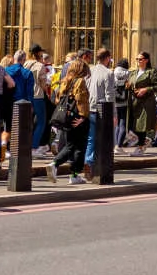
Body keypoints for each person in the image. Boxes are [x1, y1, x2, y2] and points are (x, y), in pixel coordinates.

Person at [46, 60, 90, 184]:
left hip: (67, 118)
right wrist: (83, 116)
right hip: (78, 118)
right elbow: (81, 100)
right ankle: (57, 165)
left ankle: (73, 174)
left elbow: (58, 99)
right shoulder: (80, 81)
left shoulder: (66, 80)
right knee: (78, 147)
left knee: (71, 145)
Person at [84, 48, 116, 177]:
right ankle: (98, 166)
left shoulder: (90, 70)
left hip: (90, 108)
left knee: (91, 139)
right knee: (104, 139)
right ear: (107, 58)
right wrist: (114, 114)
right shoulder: (108, 73)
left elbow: (86, 89)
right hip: (103, 110)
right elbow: (110, 95)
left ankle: (88, 161)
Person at [128, 52, 157, 153]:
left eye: (140, 59)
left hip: (146, 102)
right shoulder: (133, 72)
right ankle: (144, 140)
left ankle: (140, 146)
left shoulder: (151, 72)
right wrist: (128, 86)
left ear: (146, 60)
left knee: (141, 124)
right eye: (137, 59)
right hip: (134, 101)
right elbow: (130, 84)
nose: (138, 61)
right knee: (133, 124)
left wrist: (146, 89)